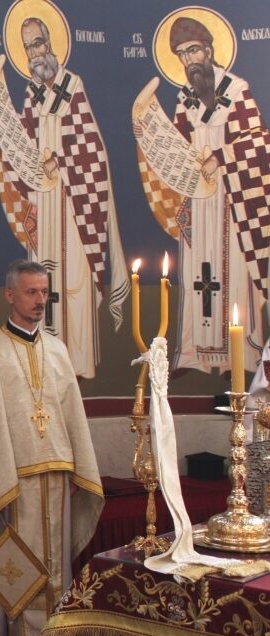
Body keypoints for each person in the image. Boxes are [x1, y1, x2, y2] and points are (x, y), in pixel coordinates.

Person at [0, 260, 103, 636]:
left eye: (44, 293)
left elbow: (69, 414)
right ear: (10, 295)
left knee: (55, 568)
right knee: (12, 566)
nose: (40, 301)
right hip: (9, 482)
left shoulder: (57, 350)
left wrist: (76, 468)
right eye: (32, 292)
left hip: (56, 479)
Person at [0, 14, 129, 379]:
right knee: (43, 281)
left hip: (74, 204)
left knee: (75, 283)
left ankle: (78, 362)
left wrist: (60, 161)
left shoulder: (72, 85)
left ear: (49, 43)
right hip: (44, 203)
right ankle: (48, 363)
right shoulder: (32, 93)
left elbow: (92, 150)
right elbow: (19, 147)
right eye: (27, 47)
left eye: (38, 43)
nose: (34, 53)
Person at [138, 14, 269, 374]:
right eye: (181, 54)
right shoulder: (185, 99)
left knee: (233, 274)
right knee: (197, 276)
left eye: (193, 50)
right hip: (197, 201)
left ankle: (240, 355)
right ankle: (194, 353)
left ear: (209, 49)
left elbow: (259, 142)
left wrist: (222, 157)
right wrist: (146, 132)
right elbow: (174, 147)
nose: (189, 60)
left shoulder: (237, 89)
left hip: (233, 202)